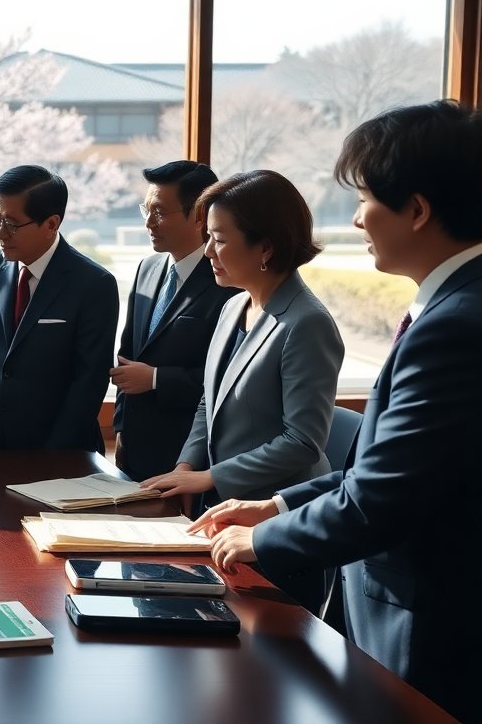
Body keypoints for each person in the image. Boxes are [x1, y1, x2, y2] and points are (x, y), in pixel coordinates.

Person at [189, 101, 481, 722]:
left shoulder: (455, 325)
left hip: (429, 619)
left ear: (419, 210)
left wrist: (262, 537)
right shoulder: (452, 306)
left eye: (366, 199)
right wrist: (276, 504)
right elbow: (391, 463)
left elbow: (384, 495)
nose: (355, 220)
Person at [143, 170, 343, 507]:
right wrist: (186, 468)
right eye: (207, 236)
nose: (208, 251)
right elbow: (210, 400)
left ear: (266, 247)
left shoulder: (307, 323)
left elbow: (302, 442)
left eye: (219, 239)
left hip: (276, 512)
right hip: (221, 501)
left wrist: (209, 477)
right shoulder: (233, 306)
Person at [0, 165, 118, 453]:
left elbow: (88, 381)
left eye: (12, 224)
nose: (1, 233)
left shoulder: (94, 284)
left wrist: (51, 455)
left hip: (62, 452)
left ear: (52, 224)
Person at [111, 161, 238, 480]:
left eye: (160, 212)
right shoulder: (147, 269)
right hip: (132, 451)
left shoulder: (229, 283)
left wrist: (156, 379)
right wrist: (121, 430)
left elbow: (227, 383)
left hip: (187, 456)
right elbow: (128, 359)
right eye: (146, 210)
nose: (148, 224)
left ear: (199, 217)